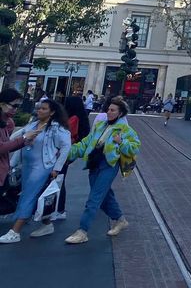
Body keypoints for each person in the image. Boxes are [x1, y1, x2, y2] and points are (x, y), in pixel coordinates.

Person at [63, 97, 140, 245]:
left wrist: (121, 142)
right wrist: (67, 153)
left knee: (94, 197)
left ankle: (82, 231)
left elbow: (134, 147)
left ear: (120, 113)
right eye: (108, 110)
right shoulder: (100, 126)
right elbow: (85, 143)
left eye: (113, 110)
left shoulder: (125, 130)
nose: (109, 112)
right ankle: (120, 220)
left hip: (109, 165)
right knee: (105, 196)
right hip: (94, 163)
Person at [0, 99, 72, 243]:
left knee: (29, 195)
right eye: (39, 108)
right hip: (27, 165)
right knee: (30, 194)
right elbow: (17, 138)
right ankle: (47, 224)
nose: (39, 110)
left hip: (42, 167)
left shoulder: (57, 129)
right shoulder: (33, 125)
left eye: (44, 109)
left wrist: (57, 168)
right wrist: (12, 162)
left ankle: (15, 231)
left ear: (52, 112)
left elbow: (66, 147)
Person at [55, 94, 90, 222]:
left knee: (58, 179)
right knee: (60, 179)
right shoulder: (82, 118)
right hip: (71, 152)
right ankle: (58, 209)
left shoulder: (72, 118)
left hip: (64, 152)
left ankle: (58, 209)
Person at [0, 89, 28, 207]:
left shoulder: (7, 123)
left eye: (18, 107)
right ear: (2, 104)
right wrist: (24, 138)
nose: (16, 110)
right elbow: (1, 148)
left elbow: (7, 148)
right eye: (14, 106)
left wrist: (24, 141)